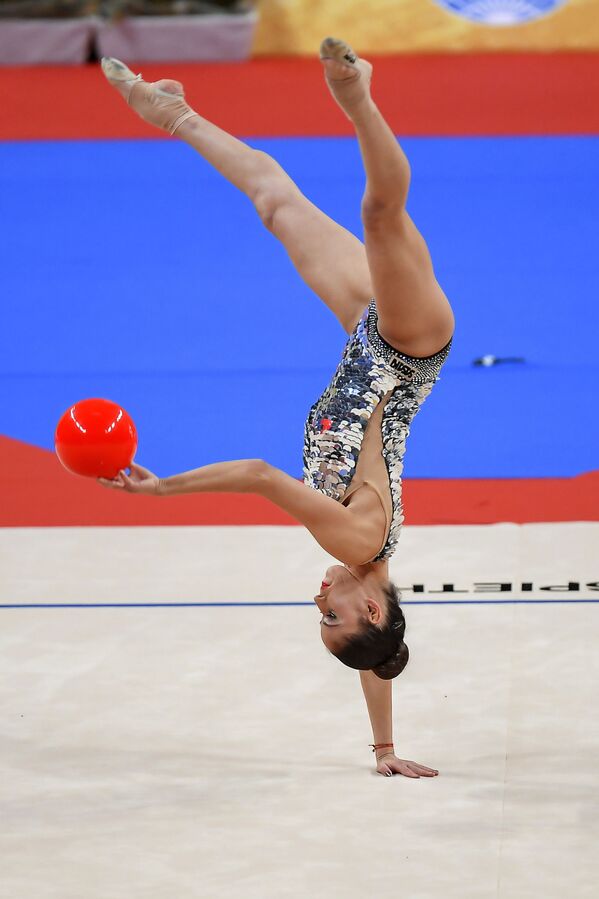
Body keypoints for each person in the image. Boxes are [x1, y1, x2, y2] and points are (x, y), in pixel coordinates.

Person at [99, 38, 454, 777]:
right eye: (330, 614)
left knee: (274, 202)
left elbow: (377, 657)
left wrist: (384, 748)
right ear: (374, 608)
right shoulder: (355, 539)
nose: (317, 598)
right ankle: (357, 95)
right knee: (382, 215)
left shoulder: (366, 565)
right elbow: (260, 473)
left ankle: (172, 112)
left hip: (365, 340)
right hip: (407, 346)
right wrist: (161, 489)